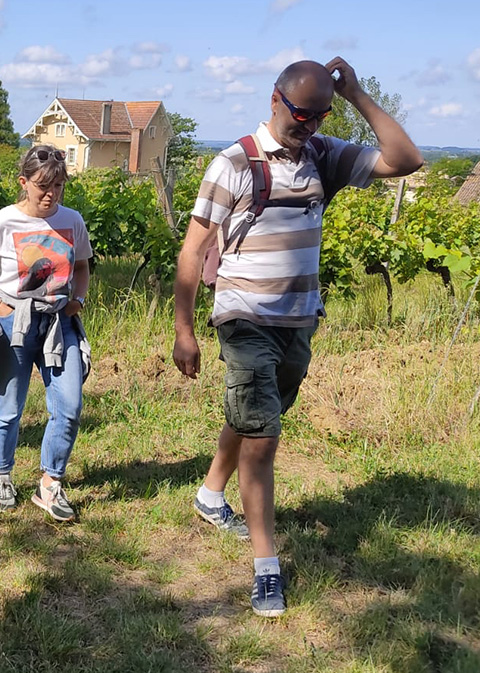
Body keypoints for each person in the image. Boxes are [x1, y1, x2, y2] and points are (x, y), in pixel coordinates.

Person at [172, 58, 423, 617]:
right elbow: (192, 251)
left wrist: (356, 94)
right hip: (243, 318)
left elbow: (408, 159)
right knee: (263, 438)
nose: (307, 125)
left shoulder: (324, 155)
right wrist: (184, 329)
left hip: (298, 320)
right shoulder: (233, 163)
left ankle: (210, 493)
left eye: (318, 116)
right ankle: (267, 570)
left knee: (254, 413)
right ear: (274, 100)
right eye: (300, 114)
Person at [0, 144, 92, 522]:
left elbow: (82, 266)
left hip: (57, 323)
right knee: (9, 408)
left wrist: (78, 299)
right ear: (24, 182)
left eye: (58, 187)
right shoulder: (3, 221)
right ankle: (3, 476)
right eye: (42, 186)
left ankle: (50, 484)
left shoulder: (72, 220)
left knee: (69, 407)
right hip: (13, 324)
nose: (51, 195)